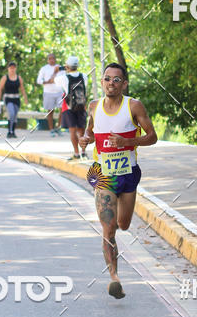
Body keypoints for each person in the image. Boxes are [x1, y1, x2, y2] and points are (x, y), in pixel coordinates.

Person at [79, 63, 157, 299]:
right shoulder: (94, 106)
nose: (110, 83)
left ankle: (115, 272)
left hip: (128, 173)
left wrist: (128, 142)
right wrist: (86, 139)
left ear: (124, 84)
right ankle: (114, 278)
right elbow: (90, 131)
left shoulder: (133, 106)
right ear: (102, 81)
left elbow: (152, 136)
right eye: (107, 79)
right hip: (103, 174)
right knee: (108, 227)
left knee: (123, 224)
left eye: (116, 79)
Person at [55, 56, 88, 160]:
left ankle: (76, 153)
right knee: (81, 130)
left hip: (69, 107)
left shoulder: (63, 78)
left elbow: (56, 82)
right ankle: (84, 152)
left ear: (67, 66)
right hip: (81, 105)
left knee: (72, 131)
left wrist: (60, 71)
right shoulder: (84, 76)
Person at [0, 61, 29, 138]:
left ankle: (13, 132)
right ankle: (9, 131)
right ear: (8, 69)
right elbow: (0, 89)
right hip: (8, 98)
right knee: (11, 113)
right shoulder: (5, 78)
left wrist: (25, 98)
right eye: (11, 68)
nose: (12, 70)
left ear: (16, 69)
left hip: (16, 98)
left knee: (15, 116)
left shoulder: (19, 78)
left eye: (14, 68)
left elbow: (22, 89)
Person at [36, 52, 64, 136]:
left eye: (53, 58)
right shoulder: (44, 69)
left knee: (62, 110)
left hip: (59, 92)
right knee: (50, 111)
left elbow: (64, 79)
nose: (52, 60)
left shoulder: (60, 68)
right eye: (50, 59)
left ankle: (58, 127)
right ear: (47, 60)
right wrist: (47, 82)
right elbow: (39, 80)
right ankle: (51, 129)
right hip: (48, 92)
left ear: (55, 59)